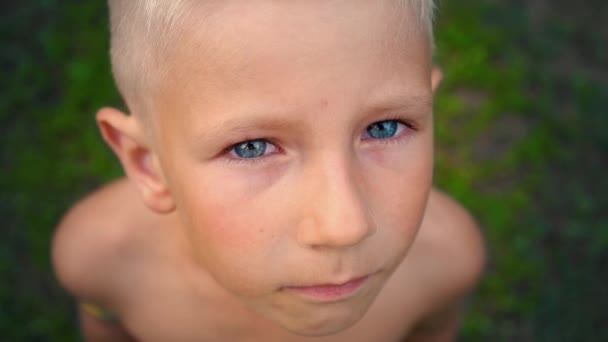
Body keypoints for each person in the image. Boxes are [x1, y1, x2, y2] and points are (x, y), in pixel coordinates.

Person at [52, 1, 486, 341]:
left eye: (384, 127)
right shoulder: (102, 261)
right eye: (251, 147)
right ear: (147, 163)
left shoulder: (446, 262)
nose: (345, 226)